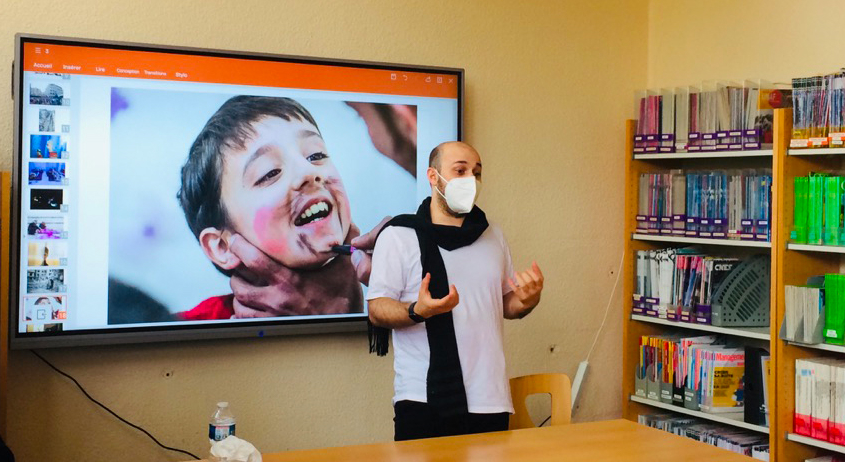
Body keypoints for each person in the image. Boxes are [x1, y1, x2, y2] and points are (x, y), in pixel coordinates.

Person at [366, 141, 545, 441]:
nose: (471, 180)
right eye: (460, 171)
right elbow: (376, 309)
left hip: (490, 398)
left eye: (477, 173)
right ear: (433, 176)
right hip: (422, 398)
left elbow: (504, 305)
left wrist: (528, 300)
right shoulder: (399, 235)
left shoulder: (493, 235)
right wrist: (417, 311)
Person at [176, 96, 364, 320]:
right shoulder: (185, 333)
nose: (308, 172)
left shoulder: (391, 278)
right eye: (270, 173)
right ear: (223, 247)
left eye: (316, 155)